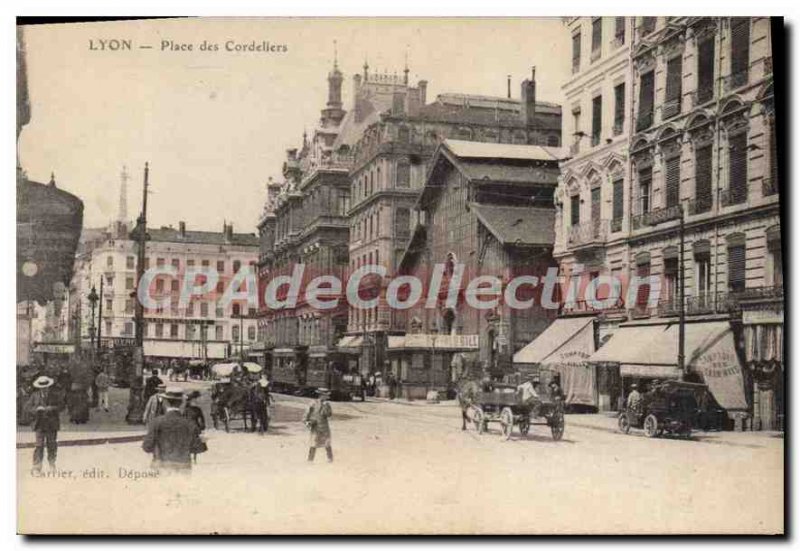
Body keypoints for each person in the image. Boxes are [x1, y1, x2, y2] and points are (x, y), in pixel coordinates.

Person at [142, 388, 205, 472]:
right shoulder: (190, 424)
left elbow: (147, 447)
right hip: (183, 467)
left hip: (161, 466)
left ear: (165, 402)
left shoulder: (156, 422)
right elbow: (199, 448)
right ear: (181, 403)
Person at [26, 376, 63, 473]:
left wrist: (52, 408)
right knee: (39, 446)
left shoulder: (54, 395)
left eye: (46, 387)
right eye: (42, 387)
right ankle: (37, 466)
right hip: (39, 424)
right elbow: (28, 408)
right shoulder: (34, 395)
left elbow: (62, 406)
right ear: (39, 387)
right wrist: (36, 409)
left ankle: (52, 464)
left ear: (49, 386)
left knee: (52, 445)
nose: (44, 389)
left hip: (52, 424)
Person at [303, 388, 333, 463]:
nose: (327, 397)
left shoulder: (327, 404)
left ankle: (330, 458)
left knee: (327, 442)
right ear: (321, 395)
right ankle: (310, 460)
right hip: (315, 426)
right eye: (325, 395)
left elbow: (328, 414)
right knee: (313, 442)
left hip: (324, 426)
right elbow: (307, 413)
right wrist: (306, 421)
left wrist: (326, 407)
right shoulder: (313, 403)